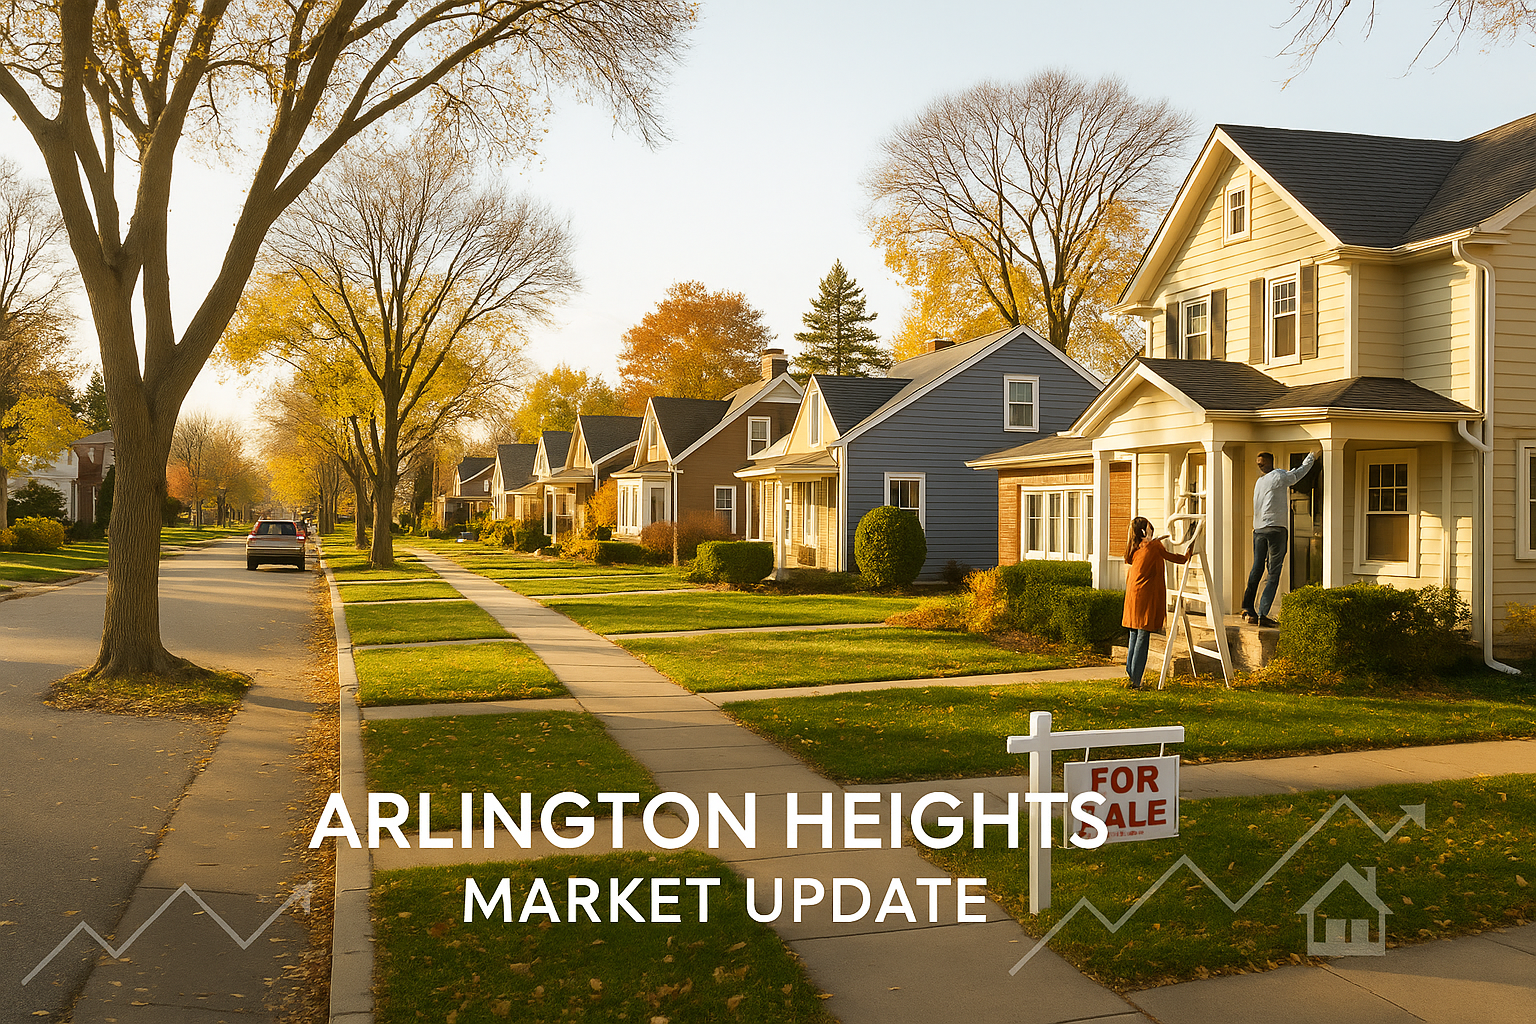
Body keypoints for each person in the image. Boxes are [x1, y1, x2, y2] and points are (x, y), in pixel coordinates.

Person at [1241, 447, 1320, 627]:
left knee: (1257, 568)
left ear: (1267, 462)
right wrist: (1312, 457)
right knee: (1274, 572)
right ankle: (1262, 614)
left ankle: (1247, 607)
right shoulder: (1277, 475)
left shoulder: (1259, 482)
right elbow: (1297, 474)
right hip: (1275, 529)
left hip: (1259, 529)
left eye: (1260, 463)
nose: (1260, 466)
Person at [1122, 516, 1191, 690]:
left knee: (1134, 635)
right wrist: (1188, 552)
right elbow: (1176, 558)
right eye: (1149, 528)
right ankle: (1136, 682)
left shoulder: (1135, 549)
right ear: (1145, 531)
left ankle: (1131, 676)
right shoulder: (1154, 547)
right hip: (1144, 598)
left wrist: (1156, 542)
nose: (1152, 530)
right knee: (1142, 637)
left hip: (1132, 597)